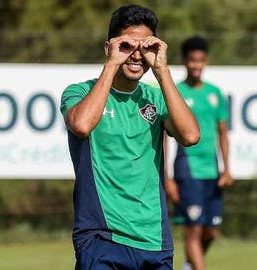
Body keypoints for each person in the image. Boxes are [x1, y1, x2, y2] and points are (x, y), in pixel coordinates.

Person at [60, 5, 200, 270]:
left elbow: (191, 135)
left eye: (144, 47)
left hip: (154, 240)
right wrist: (112, 64)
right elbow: (81, 125)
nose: (136, 55)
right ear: (109, 47)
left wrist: (161, 70)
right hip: (102, 236)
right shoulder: (79, 92)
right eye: (126, 45)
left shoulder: (156, 98)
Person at [164, 36, 233, 270]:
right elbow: (164, 136)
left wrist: (226, 168)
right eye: (192, 60)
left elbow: (223, 133)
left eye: (201, 60)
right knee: (193, 229)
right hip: (187, 168)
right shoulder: (177, 92)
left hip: (211, 169)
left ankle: (189, 265)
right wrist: (168, 177)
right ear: (184, 61)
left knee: (210, 231)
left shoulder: (215, 94)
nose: (196, 65)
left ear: (206, 62)